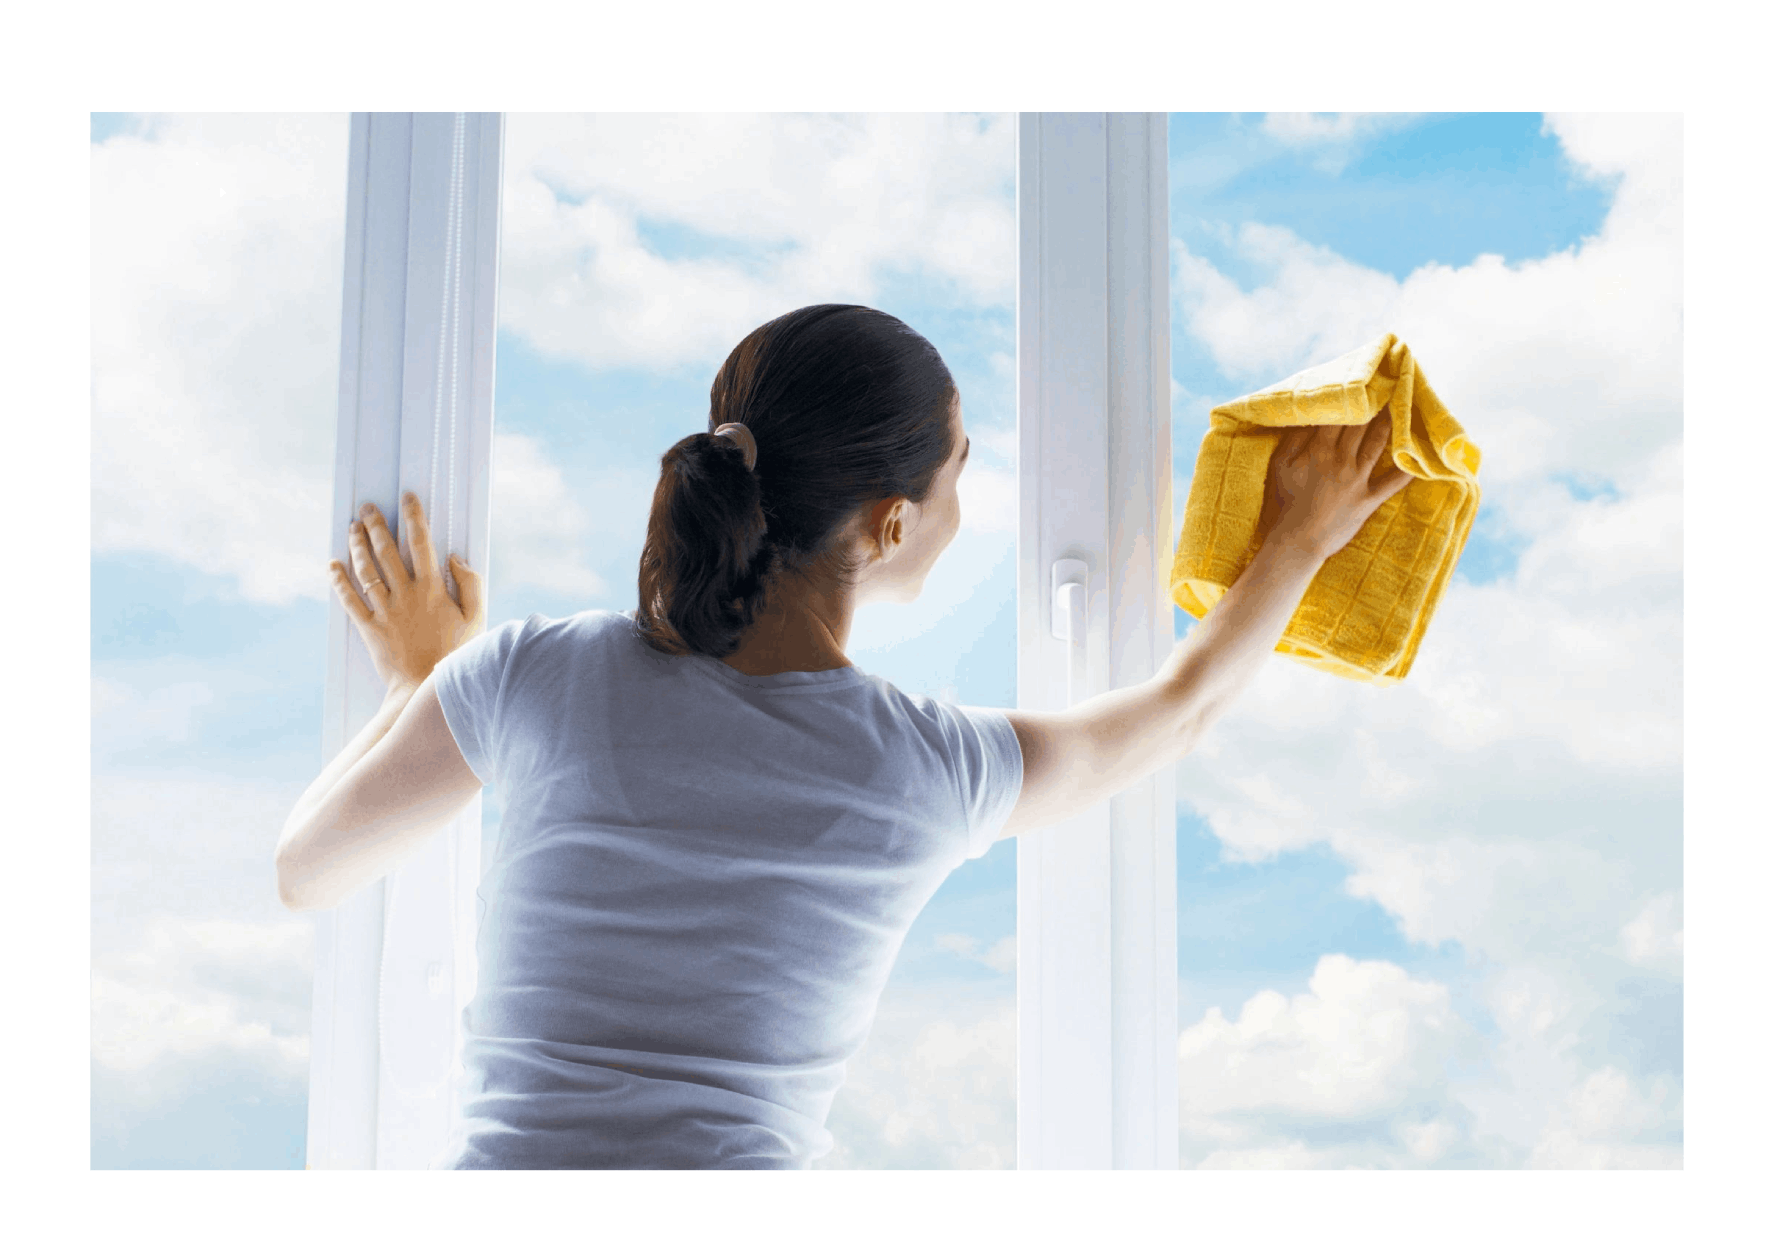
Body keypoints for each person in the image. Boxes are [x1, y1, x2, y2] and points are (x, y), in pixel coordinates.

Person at [425, 303, 1412, 1171]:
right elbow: (1177, 712)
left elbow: (307, 869)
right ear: (892, 524)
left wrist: (432, 677)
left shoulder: (527, 669)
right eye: (961, 471)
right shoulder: (914, 766)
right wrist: (1297, 537)